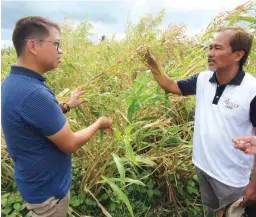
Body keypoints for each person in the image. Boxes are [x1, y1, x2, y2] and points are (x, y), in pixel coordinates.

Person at [138, 26, 256, 216]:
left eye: (218, 48)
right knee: (211, 212)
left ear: (237, 55)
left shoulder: (252, 90)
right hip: (203, 167)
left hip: (232, 180)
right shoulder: (203, 79)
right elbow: (170, 86)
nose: (210, 53)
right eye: (210, 47)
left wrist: (254, 185)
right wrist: (151, 63)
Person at [1, 16, 112, 217]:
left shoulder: (13, 83)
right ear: (33, 46)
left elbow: (34, 119)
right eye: (56, 44)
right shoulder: (34, 94)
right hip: (49, 195)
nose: (61, 51)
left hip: (34, 186)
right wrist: (99, 123)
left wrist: (67, 105)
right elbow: (70, 144)